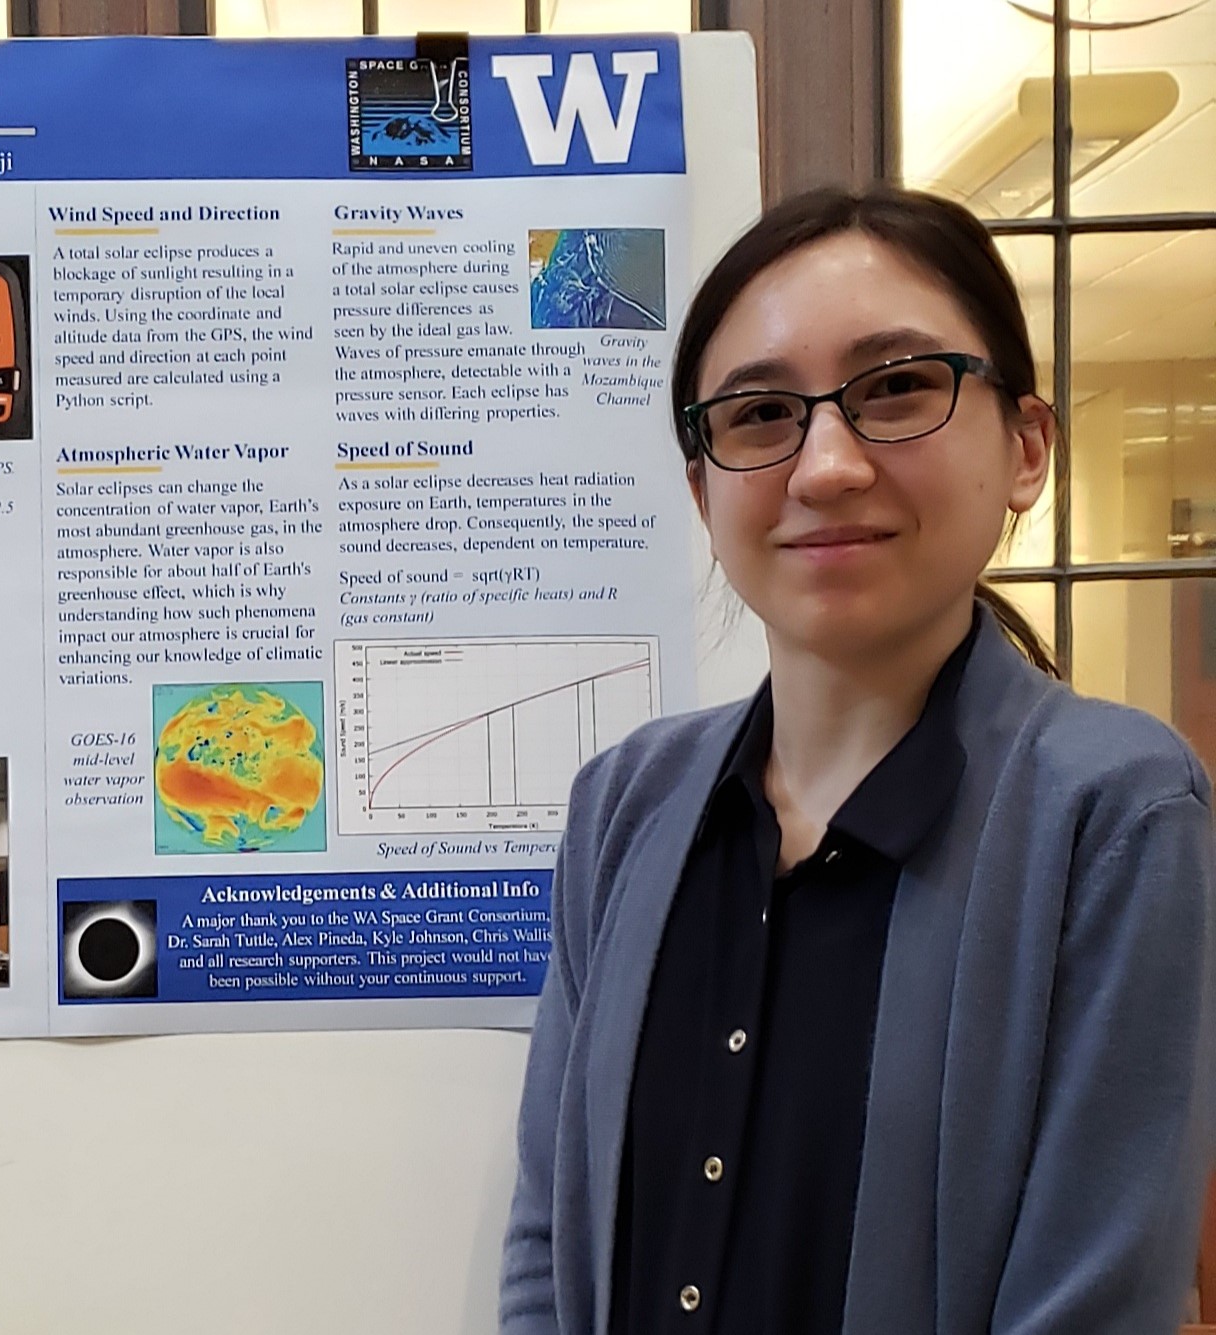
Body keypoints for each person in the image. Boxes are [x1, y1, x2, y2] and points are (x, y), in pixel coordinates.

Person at [500, 185, 1216, 1335]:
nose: (825, 466)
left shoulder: (1114, 813)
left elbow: (1095, 1301)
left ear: (1026, 447)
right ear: (703, 488)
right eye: (759, 414)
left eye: (895, 389)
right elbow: (551, 1239)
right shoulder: (625, 803)